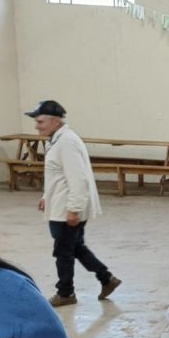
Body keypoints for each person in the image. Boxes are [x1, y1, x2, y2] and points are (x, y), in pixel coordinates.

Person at [27, 100, 120, 307]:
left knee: (63, 252)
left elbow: (78, 179)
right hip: (61, 205)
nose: (37, 126)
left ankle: (65, 293)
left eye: (40, 122)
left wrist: (73, 209)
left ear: (55, 121)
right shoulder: (56, 140)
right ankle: (106, 278)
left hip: (66, 209)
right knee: (76, 247)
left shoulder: (66, 142)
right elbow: (57, 174)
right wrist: (46, 196)